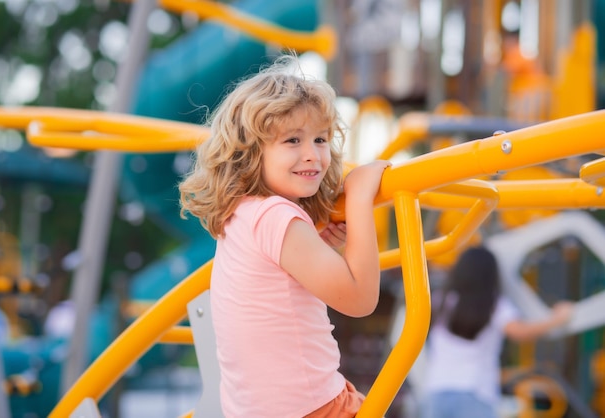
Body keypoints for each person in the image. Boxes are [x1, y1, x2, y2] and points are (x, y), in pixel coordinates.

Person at [179, 54, 391, 418]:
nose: (312, 155)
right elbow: (360, 299)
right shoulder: (277, 215)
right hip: (315, 408)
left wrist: (320, 244)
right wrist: (359, 198)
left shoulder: (242, 214)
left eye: (321, 139)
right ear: (249, 153)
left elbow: (272, 287)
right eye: (292, 140)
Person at [420, 246, 574, 418]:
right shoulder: (494, 305)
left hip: (436, 391)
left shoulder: (441, 300)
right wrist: (557, 319)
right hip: (475, 392)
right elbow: (519, 332)